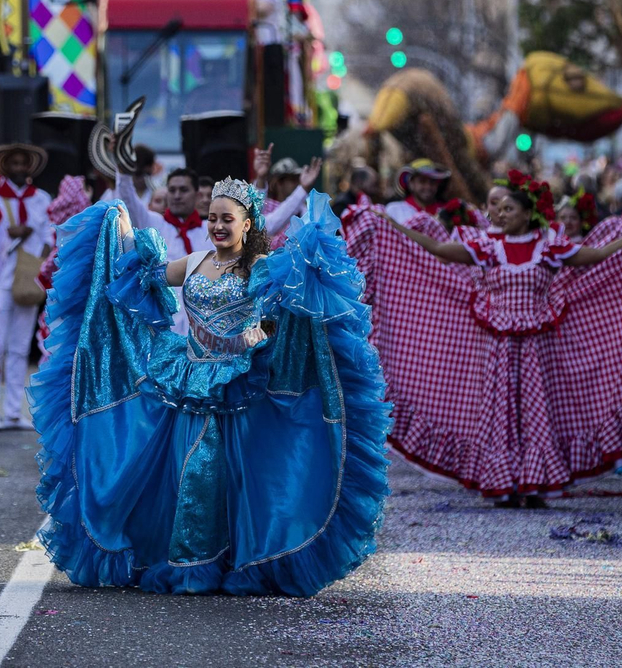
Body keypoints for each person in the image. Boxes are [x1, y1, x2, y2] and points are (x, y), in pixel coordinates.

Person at [29, 177, 390, 595]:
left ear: (248, 224)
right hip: (189, 378)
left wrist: (275, 311)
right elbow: (143, 275)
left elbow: (286, 309)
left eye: (227, 219)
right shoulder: (196, 261)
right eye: (212, 218)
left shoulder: (260, 268)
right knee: (185, 471)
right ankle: (186, 559)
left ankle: (219, 559)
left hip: (238, 385)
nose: (217, 226)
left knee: (229, 474)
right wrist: (119, 227)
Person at [353, 169, 622, 506]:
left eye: (508, 208)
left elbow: (595, 256)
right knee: (499, 412)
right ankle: (503, 480)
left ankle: (534, 481)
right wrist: (392, 226)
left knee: (537, 413)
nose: (499, 214)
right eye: (497, 207)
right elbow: (440, 251)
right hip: (498, 347)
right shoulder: (487, 246)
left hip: (538, 348)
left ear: (527, 214)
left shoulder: (547, 248)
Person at [0, 143, 53, 430]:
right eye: (15, 163)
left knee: (20, 348)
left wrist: (43, 252)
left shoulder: (42, 198)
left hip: (28, 279)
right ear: (6, 166)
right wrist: (9, 234)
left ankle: (12, 411)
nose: (20, 168)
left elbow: (50, 234)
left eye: (24, 163)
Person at [250, 148, 323, 237]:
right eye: (292, 180)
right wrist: (261, 177)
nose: (298, 183)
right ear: (279, 183)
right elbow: (267, 223)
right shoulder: (266, 206)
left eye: (298, 179)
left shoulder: (305, 210)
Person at [383, 159, 451, 224]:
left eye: (432, 182)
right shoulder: (394, 210)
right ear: (411, 184)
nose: (428, 186)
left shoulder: (446, 212)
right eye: (422, 181)